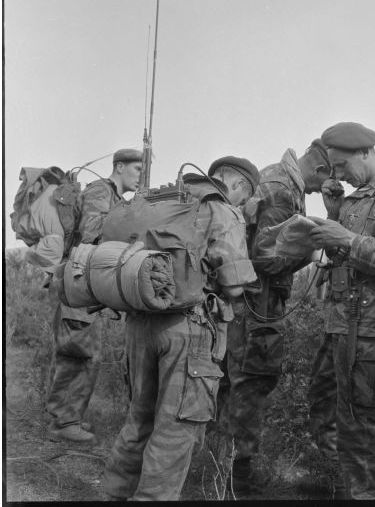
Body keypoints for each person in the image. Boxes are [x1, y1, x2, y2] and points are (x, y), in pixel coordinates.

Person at [100, 173, 257, 501]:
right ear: (238, 184)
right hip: (190, 332)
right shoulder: (221, 210)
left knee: (139, 420)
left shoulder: (160, 202)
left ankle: (113, 496)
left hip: (140, 324)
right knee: (173, 433)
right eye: (244, 196)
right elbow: (234, 285)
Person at [306, 122, 375, 499]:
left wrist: (346, 239)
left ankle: (365, 493)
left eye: (341, 166)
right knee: (325, 407)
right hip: (341, 325)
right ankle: (346, 489)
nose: (337, 175)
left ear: (365, 153)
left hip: (371, 332)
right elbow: (346, 255)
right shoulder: (356, 196)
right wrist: (334, 215)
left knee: (362, 429)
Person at [224, 140, 331, 492]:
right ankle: (239, 478)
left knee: (235, 381)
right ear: (319, 170)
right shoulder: (283, 192)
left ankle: (220, 463)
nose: (317, 191)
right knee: (252, 382)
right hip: (259, 305)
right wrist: (311, 250)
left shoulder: (275, 178)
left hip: (250, 303)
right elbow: (265, 258)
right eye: (322, 183)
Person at [46, 148, 143, 442]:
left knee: (84, 350)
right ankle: (63, 423)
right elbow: (91, 233)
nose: (141, 176)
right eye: (137, 169)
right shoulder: (101, 190)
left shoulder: (112, 196)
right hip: (77, 281)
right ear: (119, 166)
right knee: (78, 351)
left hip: (83, 283)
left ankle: (67, 417)